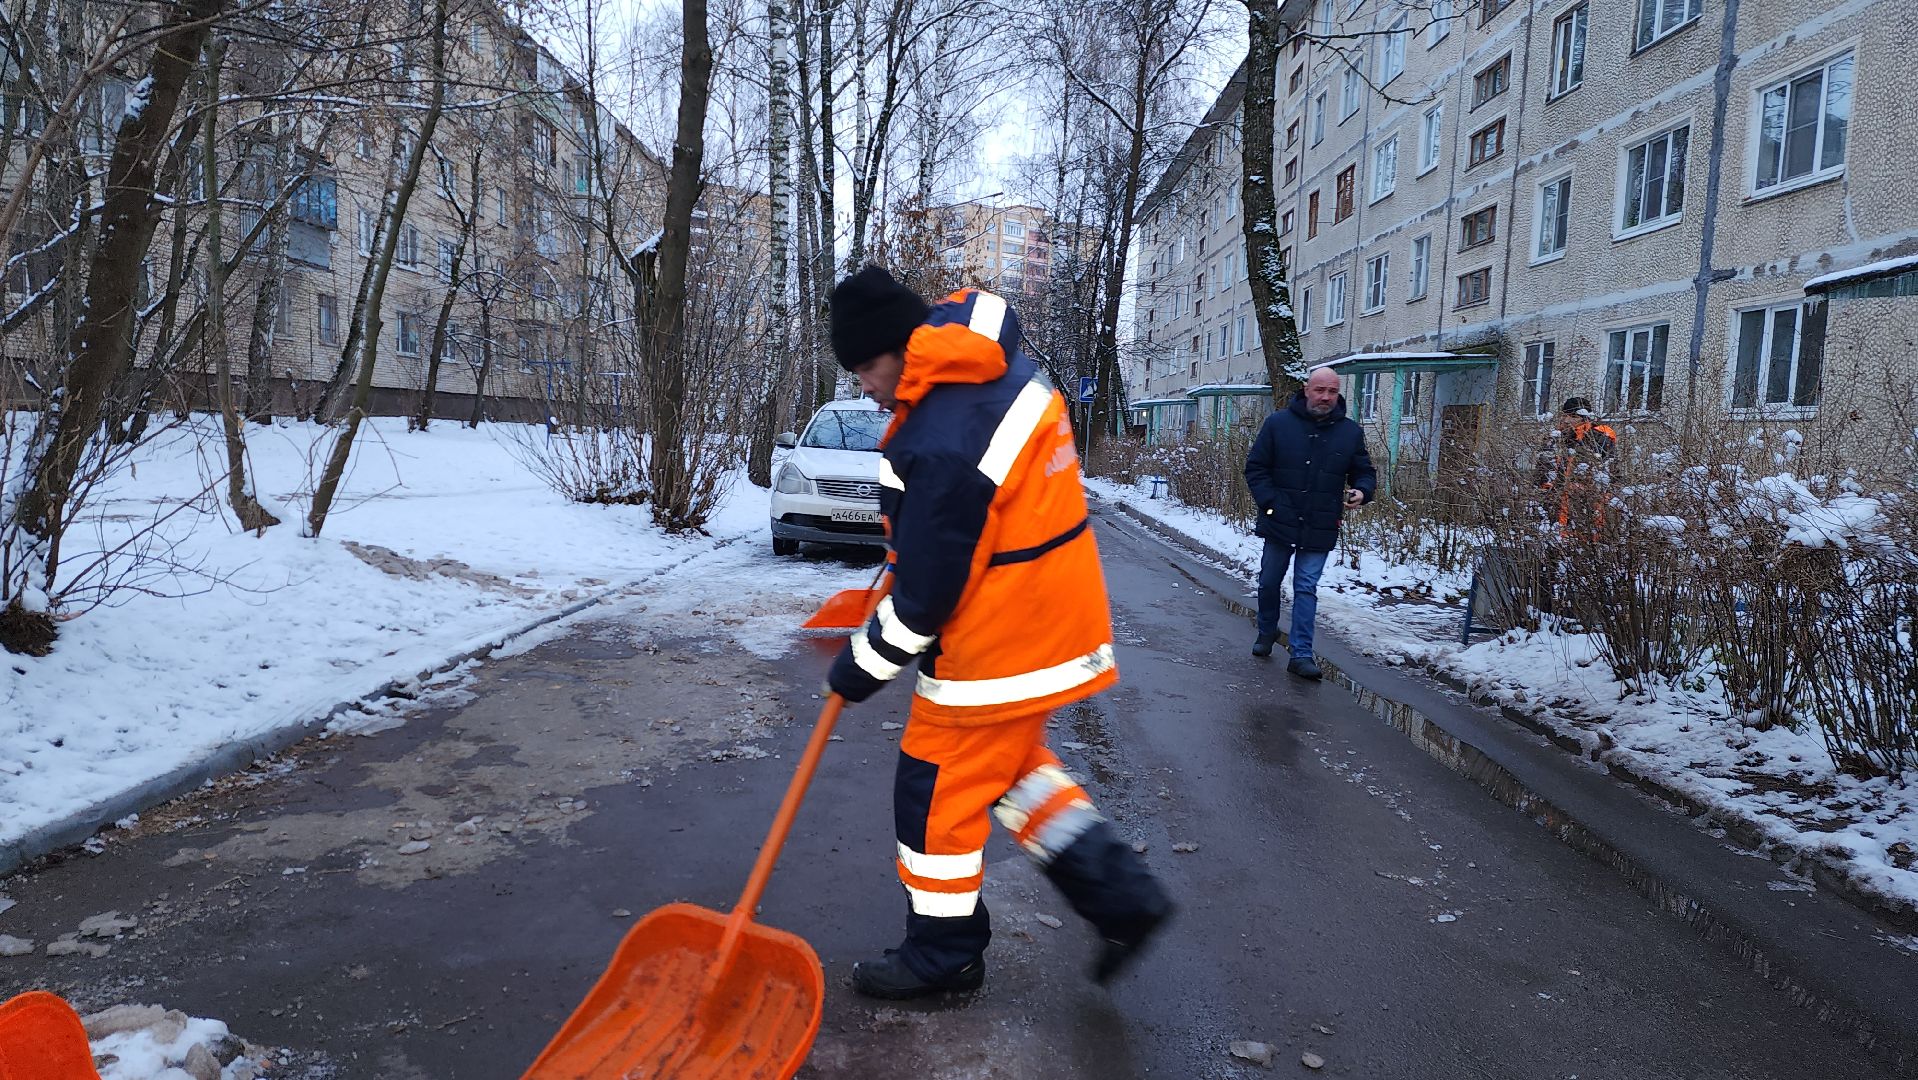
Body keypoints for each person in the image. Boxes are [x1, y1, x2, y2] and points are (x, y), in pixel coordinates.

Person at [823, 265, 1173, 1002]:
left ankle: (942, 954)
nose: (864, 385)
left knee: (934, 791)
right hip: (1045, 624)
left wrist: (862, 665)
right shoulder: (985, 377)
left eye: (864, 367)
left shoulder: (944, 430)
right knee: (1016, 777)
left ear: (898, 347)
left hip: (998, 645)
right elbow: (961, 533)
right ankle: (1123, 899)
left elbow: (927, 596)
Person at [1241, 366, 1377, 680]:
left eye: (1332, 391)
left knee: (1306, 588)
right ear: (1306, 389)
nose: (1326, 397)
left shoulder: (1350, 432)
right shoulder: (1278, 424)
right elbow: (1256, 468)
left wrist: (1362, 490)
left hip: (1321, 523)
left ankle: (1301, 654)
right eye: (1320, 390)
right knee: (1269, 582)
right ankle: (1266, 630)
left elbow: (1364, 472)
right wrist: (1271, 503)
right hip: (1280, 520)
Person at [1535, 396, 1617, 530]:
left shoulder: (1598, 437)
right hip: (1555, 506)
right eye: (1565, 415)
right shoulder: (1556, 438)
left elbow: (1610, 473)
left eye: (1573, 416)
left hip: (1583, 507)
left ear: (1584, 417)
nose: (1567, 420)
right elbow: (1543, 471)